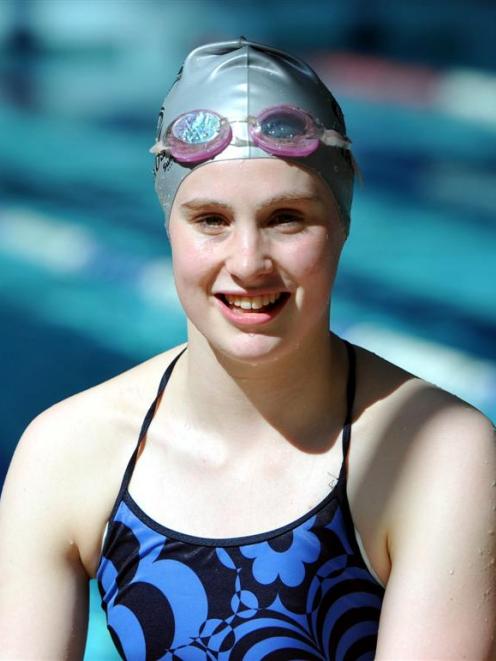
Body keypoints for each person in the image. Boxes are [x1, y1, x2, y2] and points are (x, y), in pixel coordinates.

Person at [0, 37, 494, 661]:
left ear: (341, 226)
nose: (248, 262)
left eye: (287, 217)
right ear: (169, 229)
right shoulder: (69, 451)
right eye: (210, 219)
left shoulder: (434, 449)